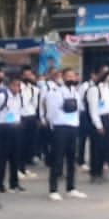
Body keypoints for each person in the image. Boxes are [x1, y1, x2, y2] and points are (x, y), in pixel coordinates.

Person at [41, 67, 86, 202]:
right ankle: (53, 189)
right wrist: (55, 124)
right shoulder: (55, 92)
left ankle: (71, 187)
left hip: (73, 127)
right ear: (63, 77)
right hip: (60, 127)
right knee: (57, 159)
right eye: (69, 76)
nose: (71, 79)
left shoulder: (76, 93)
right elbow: (51, 112)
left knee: (72, 159)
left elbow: (79, 109)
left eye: (73, 76)